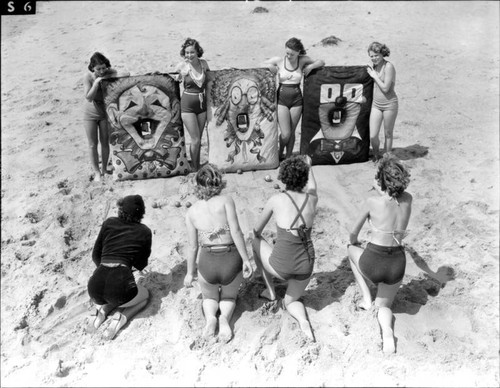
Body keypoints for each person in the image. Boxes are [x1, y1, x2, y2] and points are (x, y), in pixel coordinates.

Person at [347, 154, 412, 354]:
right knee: (384, 307)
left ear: (381, 181)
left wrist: (355, 243)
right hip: (396, 264)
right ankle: (387, 332)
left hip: (374, 260)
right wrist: (382, 188)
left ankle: (366, 298)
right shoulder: (408, 199)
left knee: (350, 250)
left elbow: (352, 234)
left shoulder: (371, 202)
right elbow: (394, 199)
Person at [184, 164, 253, 342]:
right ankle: (224, 319)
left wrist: (190, 273)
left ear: (197, 186)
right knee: (229, 297)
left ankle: (211, 319)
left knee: (208, 297)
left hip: (207, 262)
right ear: (218, 183)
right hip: (230, 259)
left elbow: (192, 247)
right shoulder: (226, 201)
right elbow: (237, 232)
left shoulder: (191, 212)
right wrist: (246, 260)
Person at [252, 155, 318, 341]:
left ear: (283, 177)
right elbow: (313, 187)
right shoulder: (312, 199)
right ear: (304, 178)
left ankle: (270, 290)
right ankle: (303, 322)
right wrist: (309, 167)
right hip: (306, 267)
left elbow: (256, 230)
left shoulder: (276, 199)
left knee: (254, 242)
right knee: (291, 301)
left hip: (282, 267)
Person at [87, 194, 152, 340]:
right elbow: (141, 264)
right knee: (145, 296)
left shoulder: (109, 223)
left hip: (95, 285)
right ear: (141, 213)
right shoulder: (144, 231)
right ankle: (120, 318)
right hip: (120, 285)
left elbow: (95, 255)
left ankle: (100, 313)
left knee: (109, 296)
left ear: (120, 209)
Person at [262, 38, 324, 160]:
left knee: (292, 131)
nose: (289, 56)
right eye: (287, 53)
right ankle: (280, 152)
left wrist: (311, 66)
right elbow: (261, 64)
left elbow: (321, 62)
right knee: (286, 134)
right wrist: (270, 67)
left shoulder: (302, 60)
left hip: (297, 100)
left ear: (298, 52)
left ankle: (289, 156)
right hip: (281, 99)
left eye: (292, 54)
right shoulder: (279, 61)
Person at [83, 52, 129, 181]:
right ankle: (97, 172)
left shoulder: (109, 72)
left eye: (104, 68)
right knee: (92, 144)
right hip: (90, 113)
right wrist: (96, 83)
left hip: (104, 112)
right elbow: (88, 97)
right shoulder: (88, 77)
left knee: (105, 142)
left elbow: (126, 74)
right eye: (98, 69)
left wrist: (110, 75)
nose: (102, 71)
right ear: (92, 68)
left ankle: (104, 169)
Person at [174, 38, 211, 171]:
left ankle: (197, 164)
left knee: (199, 139)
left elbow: (211, 81)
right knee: (194, 139)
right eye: (187, 53)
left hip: (202, 105)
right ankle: (195, 168)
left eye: (192, 52)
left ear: (198, 52)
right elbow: (170, 79)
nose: (189, 55)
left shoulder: (204, 64)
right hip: (187, 106)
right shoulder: (182, 66)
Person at [366, 42, 399, 161]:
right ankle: (375, 155)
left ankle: (386, 159)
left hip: (390, 104)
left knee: (388, 134)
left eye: (376, 55)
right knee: (373, 135)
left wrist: (374, 76)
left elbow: (386, 88)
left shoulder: (388, 66)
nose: (374, 58)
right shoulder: (373, 66)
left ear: (382, 54)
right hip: (376, 104)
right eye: (371, 56)